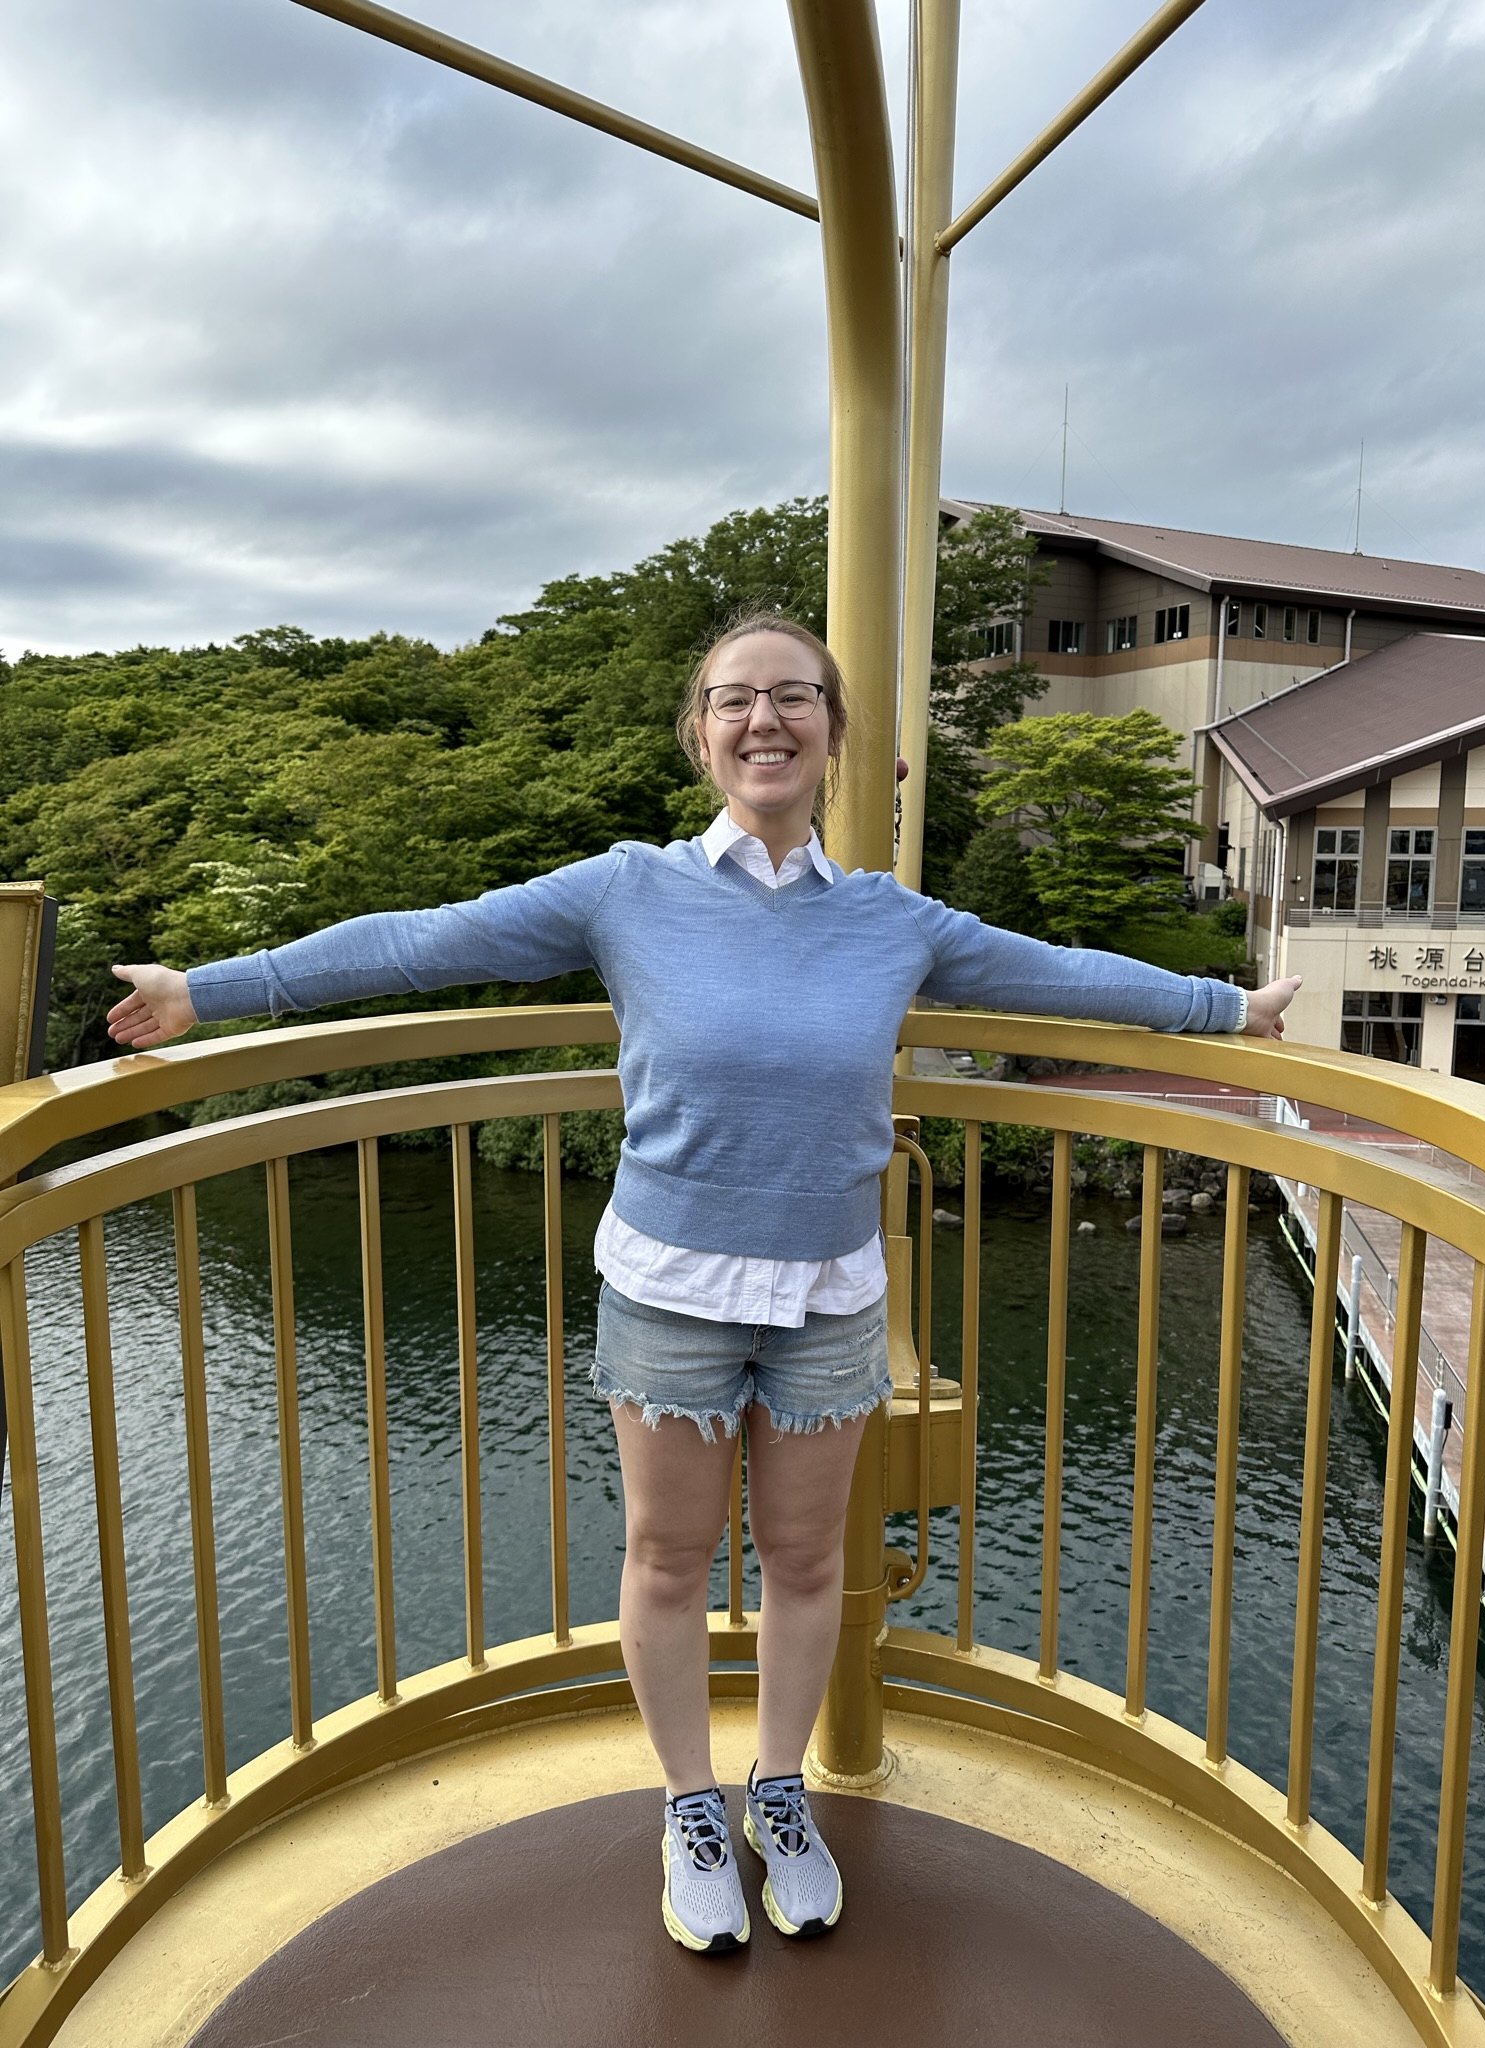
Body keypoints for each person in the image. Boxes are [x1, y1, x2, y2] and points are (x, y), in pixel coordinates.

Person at [107, 612, 1300, 1956]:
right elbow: (421, 944)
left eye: (795, 698)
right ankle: (690, 1808)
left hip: (832, 1295)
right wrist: (210, 989)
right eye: (735, 700)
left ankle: (779, 1794)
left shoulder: (890, 922)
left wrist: (1226, 1008)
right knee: (670, 1560)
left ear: (835, 735)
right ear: (701, 735)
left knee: (802, 1562)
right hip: (669, 1287)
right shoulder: (629, 888)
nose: (765, 722)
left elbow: (1060, 975)